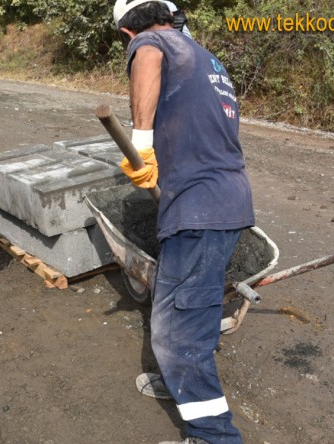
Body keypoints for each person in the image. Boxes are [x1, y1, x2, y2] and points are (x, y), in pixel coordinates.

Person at [113, 1, 255, 443]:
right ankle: (184, 384)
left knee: (175, 336)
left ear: (126, 32)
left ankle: (213, 434)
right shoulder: (206, 58)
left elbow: (149, 54)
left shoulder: (153, 43)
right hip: (228, 199)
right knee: (195, 313)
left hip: (198, 209)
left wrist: (142, 143)